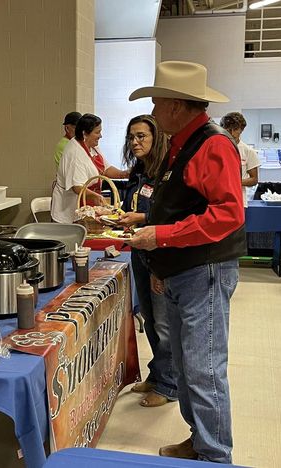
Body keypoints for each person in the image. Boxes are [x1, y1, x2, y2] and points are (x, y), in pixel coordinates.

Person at [126, 61, 246, 463]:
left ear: (177, 105)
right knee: (186, 363)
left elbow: (228, 214)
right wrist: (161, 265)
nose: (155, 114)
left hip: (204, 271)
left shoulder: (212, 144)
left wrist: (161, 238)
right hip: (183, 271)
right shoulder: (183, 143)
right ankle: (201, 440)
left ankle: (214, 456)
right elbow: (175, 207)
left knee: (203, 370)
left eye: (158, 104)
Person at [117, 115, 178, 408]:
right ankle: (157, 375)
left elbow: (170, 216)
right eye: (132, 137)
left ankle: (169, 386)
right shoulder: (138, 171)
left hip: (161, 252)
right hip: (139, 250)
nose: (135, 142)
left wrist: (141, 217)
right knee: (151, 319)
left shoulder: (166, 171)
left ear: (157, 138)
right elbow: (135, 204)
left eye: (142, 136)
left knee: (164, 323)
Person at [51, 113, 129, 223]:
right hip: (69, 211)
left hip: (87, 204)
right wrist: (97, 197)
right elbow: (77, 187)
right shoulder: (75, 153)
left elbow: (106, 169)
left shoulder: (92, 145)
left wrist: (124, 174)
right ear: (85, 134)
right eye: (97, 132)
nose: (100, 136)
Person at [220, 112, 261, 207]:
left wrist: (233, 181)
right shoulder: (217, 148)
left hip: (239, 201)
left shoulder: (248, 151)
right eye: (228, 130)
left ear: (241, 130)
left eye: (235, 129)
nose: (231, 133)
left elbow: (254, 180)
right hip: (218, 200)